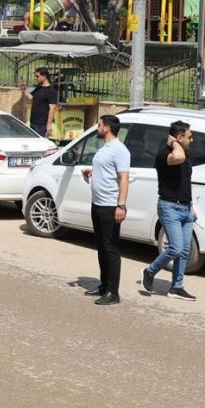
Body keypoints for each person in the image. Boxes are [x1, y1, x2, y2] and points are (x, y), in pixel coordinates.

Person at [142, 120, 197, 301]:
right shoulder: (164, 153)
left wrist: (191, 207)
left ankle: (177, 286)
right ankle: (150, 271)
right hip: (169, 207)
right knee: (175, 247)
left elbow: (185, 182)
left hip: (185, 208)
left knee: (184, 250)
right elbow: (178, 157)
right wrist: (173, 142)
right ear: (179, 137)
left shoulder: (185, 154)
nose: (192, 139)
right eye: (189, 136)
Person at [82, 115, 130, 306]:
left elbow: (124, 178)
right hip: (98, 204)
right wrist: (92, 174)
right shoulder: (105, 148)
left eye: (99, 125)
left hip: (111, 206)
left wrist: (121, 205)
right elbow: (107, 171)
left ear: (107, 128)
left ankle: (113, 291)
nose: (97, 127)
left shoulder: (119, 150)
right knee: (101, 246)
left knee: (110, 248)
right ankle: (104, 285)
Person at [25, 68, 59, 138]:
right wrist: (23, 89)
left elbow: (52, 109)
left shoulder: (51, 91)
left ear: (44, 77)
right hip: (33, 123)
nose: (36, 78)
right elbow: (30, 96)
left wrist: (49, 125)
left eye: (37, 76)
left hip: (42, 126)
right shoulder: (39, 88)